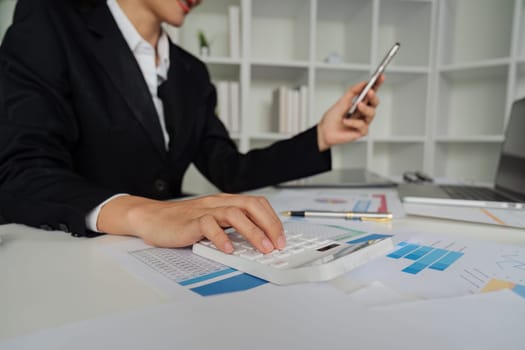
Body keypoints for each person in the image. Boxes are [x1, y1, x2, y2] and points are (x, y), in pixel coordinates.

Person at [0, 0, 382, 254]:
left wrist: (321, 136)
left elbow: (231, 170)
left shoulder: (191, 73)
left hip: (169, 259)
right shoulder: (51, 19)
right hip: (72, 253)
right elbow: (22, 172)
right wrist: (141, 214)